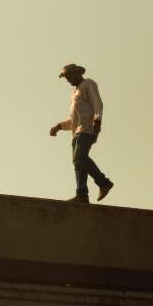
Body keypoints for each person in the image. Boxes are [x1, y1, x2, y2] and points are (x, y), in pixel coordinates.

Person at [50, 63, 114, 203]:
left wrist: (97, 121)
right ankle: (82, 195)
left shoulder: (88, 84)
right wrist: (59, 126)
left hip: (87, 129)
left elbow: (98, 104)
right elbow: (74, 119)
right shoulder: (74, 93)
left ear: (75, 74)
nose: (67, 80)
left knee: (79, 158)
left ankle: (103, 183)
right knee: (78, 163)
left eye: (68, 77)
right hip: (77, 132)